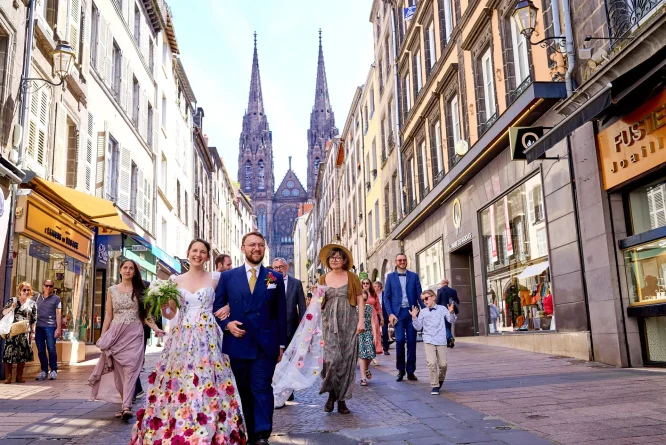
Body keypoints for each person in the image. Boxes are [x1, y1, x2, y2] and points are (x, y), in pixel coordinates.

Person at [131, 239, 247, 444]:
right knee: (180, 381)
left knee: (208, 380)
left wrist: (228, 306)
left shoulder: (217, 278)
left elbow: (236, 296)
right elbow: (169, 314)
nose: (198, 255)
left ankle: (211, 428)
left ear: (208, 257)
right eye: (195, 251)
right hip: (182, 338)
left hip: (208, 337)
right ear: (188, 252)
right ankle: (180, 426)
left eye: (203, 252)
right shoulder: (175, 280)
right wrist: (163, 302)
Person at [215, 232, 287, 445]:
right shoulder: (228, 277)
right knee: (245, 390)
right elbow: (217, 306)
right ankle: (252, 433)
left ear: (265, 249)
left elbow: (281, 313)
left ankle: (263, 434)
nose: (257, 248)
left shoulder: (274, 277)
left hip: (266, 343)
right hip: (239, 342)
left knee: (262, 387)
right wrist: (226, 324)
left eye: (261, 245)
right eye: (252, 245)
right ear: (243, 248)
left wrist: (281, 343)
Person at [89, 259, 163, 420]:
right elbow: (108, 314)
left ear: (135, 272)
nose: (128, 270)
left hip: (134, 333)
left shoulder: (141, 290)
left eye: (131, 268)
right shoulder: (111, 290)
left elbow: (146, 316)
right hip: (116, 333)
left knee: (130, 369)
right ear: (120, 271)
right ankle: (125, 402)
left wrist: (156, 329)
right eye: (125, 268)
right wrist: (103, 335)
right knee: (119, 373)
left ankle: (127, 406)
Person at [317, 244, 364, 414]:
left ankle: (342, 400)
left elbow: (359, 299)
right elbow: (317, 303)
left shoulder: (352, 277)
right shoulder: (322, 279)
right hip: (329, 322)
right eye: (332, 257)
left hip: (349, 321)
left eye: (338, 257)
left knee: (347, 362)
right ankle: (331, 394)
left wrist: (361, 322)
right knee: (332, 360)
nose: (335, 260)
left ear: (344, 260)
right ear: (328, 261)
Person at [383, 253, 423, 382]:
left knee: (412, 342)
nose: (402, 262)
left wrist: (426, 310)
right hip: (397, 314)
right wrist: (390, 313)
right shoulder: (390, 277)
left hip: (412, 313)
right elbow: (386, 297)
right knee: (400, 341)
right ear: (395, 262)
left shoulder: (414, 276)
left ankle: (410, 371)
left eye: (404, 260)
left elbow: (419, 295)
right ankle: (401, 370)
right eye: (399, 260)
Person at [271, 257, 306, 403]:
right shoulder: (268, 282)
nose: (279, 269)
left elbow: (302, 306)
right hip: (273, 328)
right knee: (275, 360)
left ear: (286, 267)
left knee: (290, 360)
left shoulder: (296, 283)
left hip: (291, 327)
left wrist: (305, 327)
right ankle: (276, 387)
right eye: (276, 267)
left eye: (281, 267)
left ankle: (288, 390)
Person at [409, 290, 457, 395]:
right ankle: (434, 385)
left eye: (426, 298)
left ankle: (440, 380)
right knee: (431, 363)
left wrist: (451, 312)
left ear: (434, 297)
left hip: (441, 340)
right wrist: (414, 317)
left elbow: (451, 320)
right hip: (428, 340)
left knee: (443, 365)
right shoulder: (423, 312)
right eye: (422, 299)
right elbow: (418, 327)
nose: (424, 301)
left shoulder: (442, 309)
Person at [2, 282, 37, 384]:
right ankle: (8, 377)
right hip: (12, 331)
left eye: (28, 290)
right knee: (9, 353)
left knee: (23, 353)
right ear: (20, 291)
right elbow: (3, 312)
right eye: (24, 290)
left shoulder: (32, 304)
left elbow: (33, 319)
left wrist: (32, 332)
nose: (26, 292)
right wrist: (12, 307)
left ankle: (19, 376)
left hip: (24, 332)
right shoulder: (13, 300)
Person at [34, 279, 61, 381]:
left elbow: (58, 313)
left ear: (53, 287)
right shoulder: (37, 297)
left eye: (51, 286)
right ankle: (44, 371)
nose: (48, 288)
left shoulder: (56, 299)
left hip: (50, 326)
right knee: (41, 350)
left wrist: (58, 328)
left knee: (51, 349)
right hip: (38, 327)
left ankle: (53, 370)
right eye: (46, 285)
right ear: (43, 286)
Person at [361, 278, 383, 362]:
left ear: (370, 284)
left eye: (367, 283)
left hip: (373, 316)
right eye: (364, 283)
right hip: (363, 316)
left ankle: (373, 355)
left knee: (374, 334)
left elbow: (378, 307)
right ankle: (365, 355)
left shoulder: (373, 294)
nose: (365, 284)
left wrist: (381, 318)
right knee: (364, 335)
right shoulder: (359, 294)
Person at [358, 289, 376, 387]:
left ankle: (365, 368)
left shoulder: (369, 308)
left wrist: (375, 335)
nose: (363, 302)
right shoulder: (355, 308)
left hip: (368, 332)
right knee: (362, 355)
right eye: (361, 299)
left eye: (365, 299)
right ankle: (363, 378)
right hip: (359, 333)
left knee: (371, 355)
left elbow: (372, 321)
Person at [437, 279, 459, 348]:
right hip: (451, 310)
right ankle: (448, 342)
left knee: (444, 326)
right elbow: (457, 301)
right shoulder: (453, 291)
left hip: (443, 310)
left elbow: (437, 301)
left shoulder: (440, 290)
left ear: (443, 283)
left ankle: (450, 338)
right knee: (448, 325)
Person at [374, 281, 391, 355]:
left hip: (384, 315)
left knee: (384, 332)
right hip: (375, 315)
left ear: (379, 287)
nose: (373, 288)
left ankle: (386, 349)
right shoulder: (372, 295)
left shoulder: (385, 295)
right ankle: (375, 348)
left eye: (375, 286)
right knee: (375, 332)